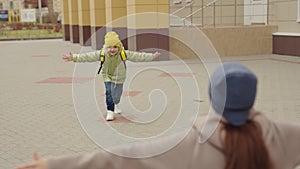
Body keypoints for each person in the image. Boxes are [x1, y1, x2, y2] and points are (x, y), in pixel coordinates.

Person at [16, 62, 300, 169]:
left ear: (213, 97)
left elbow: (119, 158)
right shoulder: (287, 136)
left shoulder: (189, 146)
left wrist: (52, 166)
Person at [62, 31, 160, 121]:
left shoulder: (123, 53)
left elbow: (137, 56)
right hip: (107, 76)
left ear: (119, 46)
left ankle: (116, 103)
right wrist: (74, 57)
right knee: (109, 92)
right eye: (109, 47)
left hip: (119, 77)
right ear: (106, 47)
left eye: (114, 47)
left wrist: (151, 56)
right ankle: (110, 111)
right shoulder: (102, 53)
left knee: (116, 95)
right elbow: (88, 56)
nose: (112, 49)